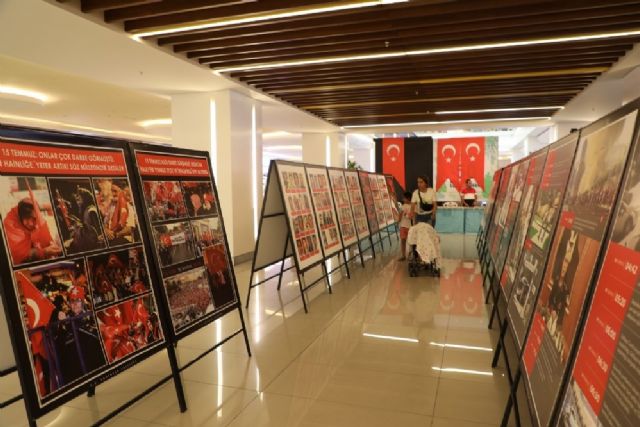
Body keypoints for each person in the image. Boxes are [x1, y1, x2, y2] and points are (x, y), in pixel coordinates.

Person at [4, 196, 62, 265]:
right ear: (20, 217)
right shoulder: (11, 225)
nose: (31, 223)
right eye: (26, 218)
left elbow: (42, 236)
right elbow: (17, 256)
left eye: (34, 218)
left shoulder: (38, 219)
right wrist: (43, 252)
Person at [397, 192, 413, 261]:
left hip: (404, 226)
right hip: (408, 226)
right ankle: (408, 255)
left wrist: (398, 221)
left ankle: (405, 255)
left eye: (404, 198)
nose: (403, 199)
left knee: (404, 241)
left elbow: (400, 216)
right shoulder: (411, 206)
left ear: (408, 198)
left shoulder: (405, 206)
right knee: (410, 241)